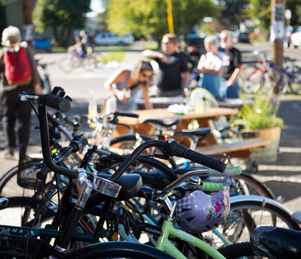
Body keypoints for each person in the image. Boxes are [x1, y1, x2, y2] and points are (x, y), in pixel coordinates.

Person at [0, 26, 42, 159]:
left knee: (8, 118)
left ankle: (9, 148)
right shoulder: (26, 50)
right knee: (24, 119)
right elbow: (33, 68)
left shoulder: (3, 52)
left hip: (8, 91)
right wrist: (37, 85)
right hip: (26, 89)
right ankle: (22, 149)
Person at [220, 30, 243, 98]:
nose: (223, 40)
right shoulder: (224, 52)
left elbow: (238, 68)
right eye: (222, 38)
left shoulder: (235, 52)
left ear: (231, 39)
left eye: (225, 38)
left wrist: (231, 81)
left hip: (231, 83)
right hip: (223, 82)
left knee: (232, 105)